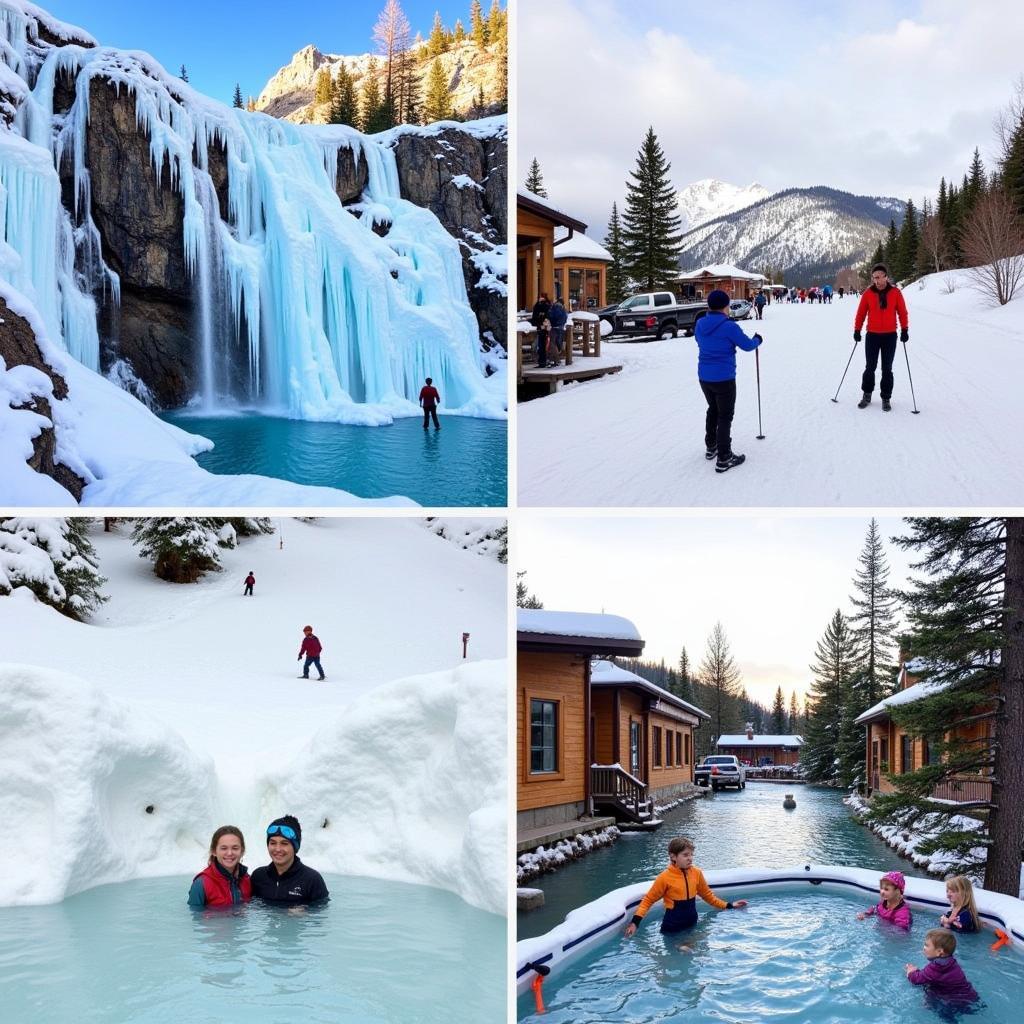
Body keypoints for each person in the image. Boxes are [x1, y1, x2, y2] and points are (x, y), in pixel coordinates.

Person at [624, 836, 748, 946]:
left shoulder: (696, 873)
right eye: (685, 855)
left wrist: (729, 905)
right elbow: (648, 901)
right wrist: (635, 923)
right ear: (673, 856)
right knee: (681, 953)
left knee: (700, 950)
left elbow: (708, 896)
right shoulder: (664, 878)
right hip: (672, 929)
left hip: (692, 924)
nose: (690, 858)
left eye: (691, 854)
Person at [693, 289, 762, 473]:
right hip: (724, 378)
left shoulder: (700, 324)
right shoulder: (729, 326)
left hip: (704, 377)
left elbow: (699, 342)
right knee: (725, 415)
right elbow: (747, 345)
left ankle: (711, 446)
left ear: (709, 306)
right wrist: (757, 340)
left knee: (713, 409)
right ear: (725, 306)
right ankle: (724, 457)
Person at [854, 262, 909, 411]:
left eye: (878, 277)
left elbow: (902, 312)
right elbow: (861, 313)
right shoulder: (868, 293)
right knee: (870, 367)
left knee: (887, 368)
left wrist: (904, 330)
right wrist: (857, 330)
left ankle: (886, 397)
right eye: (874, 278)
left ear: (886, 277)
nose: (876, 280)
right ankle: (867, 394)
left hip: (890, 336)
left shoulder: (896, 293)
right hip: (872, 335)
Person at [250, 816, 330, 906]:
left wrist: (306, 911)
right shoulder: (258, 876)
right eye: (273, 843)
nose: (277, 849)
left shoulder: (312, 880)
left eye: (284, 843)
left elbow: (322, 911)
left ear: (295, 847)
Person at [905, 929, 978, 1004]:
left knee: (929, 997)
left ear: (939, 952)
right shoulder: (950, 962)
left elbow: (917, 980)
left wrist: (911, 971)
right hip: (968, 996)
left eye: (926, 945)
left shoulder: (938, 966)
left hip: (954, 1002)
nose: (924, 947)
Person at [187, 826, 252, 907]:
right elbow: (194, 916)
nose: (229, 853)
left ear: (242, 851)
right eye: (224, 848)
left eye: (235, 848)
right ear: (214, 851)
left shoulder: (247, 879)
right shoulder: (201, 884)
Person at [548, 297, 568, 365]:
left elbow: (552, 316)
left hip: (554, 327)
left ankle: (555, 359)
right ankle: (555, 359)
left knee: (552, 343)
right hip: (561, 327)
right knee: (558, 343)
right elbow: (565, 318)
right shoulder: (563, 309)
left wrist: (551, 321)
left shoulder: (555, 307)